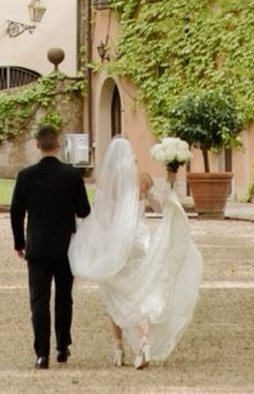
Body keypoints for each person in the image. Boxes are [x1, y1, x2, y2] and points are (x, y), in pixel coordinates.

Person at [69, 135, 202, 369]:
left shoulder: (107, 181)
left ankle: (118, 347)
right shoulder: (143, 179)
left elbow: (102, 216)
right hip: (140, 240)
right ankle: (143, 341)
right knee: (140, 288)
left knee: (114, 291)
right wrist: (170, 181)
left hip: (118, 243)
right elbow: (160, 206)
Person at [10, 124, 92, 369]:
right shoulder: (71, 175)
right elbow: (84, 210)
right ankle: (62, 346)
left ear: (37, 145)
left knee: (39, 300)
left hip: (37, 246)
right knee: (64, 298)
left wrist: (19, 242)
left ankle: (41, 353)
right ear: (58, 145)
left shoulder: (25, 175)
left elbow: (16, 212)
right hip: (65, 248)